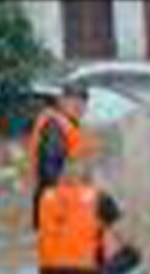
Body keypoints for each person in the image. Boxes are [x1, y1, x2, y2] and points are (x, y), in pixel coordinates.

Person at [36, 157, 140, 274]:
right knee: (133, 254)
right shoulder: (99, 197)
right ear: (89, 179)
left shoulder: (45, 197)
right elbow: (125, 235)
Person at [28, 82, 92, 229]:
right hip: (54, 204)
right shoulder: (54, 129)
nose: (79, 107)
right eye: (73, 102)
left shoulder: (67, 125)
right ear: (61, 101)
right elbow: (49, 171)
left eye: (82, 103)